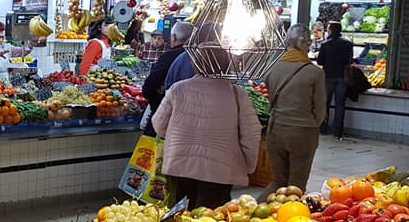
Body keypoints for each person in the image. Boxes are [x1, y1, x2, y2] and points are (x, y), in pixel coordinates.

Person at [152, 35, 262, 210]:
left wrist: (178, 136)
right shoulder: (237, 94)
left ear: (196, 63)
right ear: (226, 63)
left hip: (180, 167)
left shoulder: (178, 89)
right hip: (220, 170)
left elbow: (158, 124)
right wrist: (248, 166)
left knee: (181, 218)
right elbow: (251, 135)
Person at [262, 24, 327, 196]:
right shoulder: (315, 73)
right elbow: (320, 109)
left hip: (275, 129)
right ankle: (289, 218)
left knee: (278, 181)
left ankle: (258, 213)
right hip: (302, 132)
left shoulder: (272, 67)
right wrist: (311, 125)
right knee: (296, 185)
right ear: (305, 43)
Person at [141, 21, 193, 136]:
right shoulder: (202, 57)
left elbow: (151, 84)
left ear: (173, 38)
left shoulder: (169, 56)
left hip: (166, 115)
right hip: (191, 120)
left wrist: (148, 95)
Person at [316, 20, 354, 139]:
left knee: (325, 103)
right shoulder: (348, 44)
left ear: (330, 30)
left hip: (328, 77)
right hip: (342, 77)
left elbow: (320, 61)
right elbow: (349, 61)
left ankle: (324, 128)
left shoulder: (325, 44)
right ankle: (338, 131)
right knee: (340, 104)